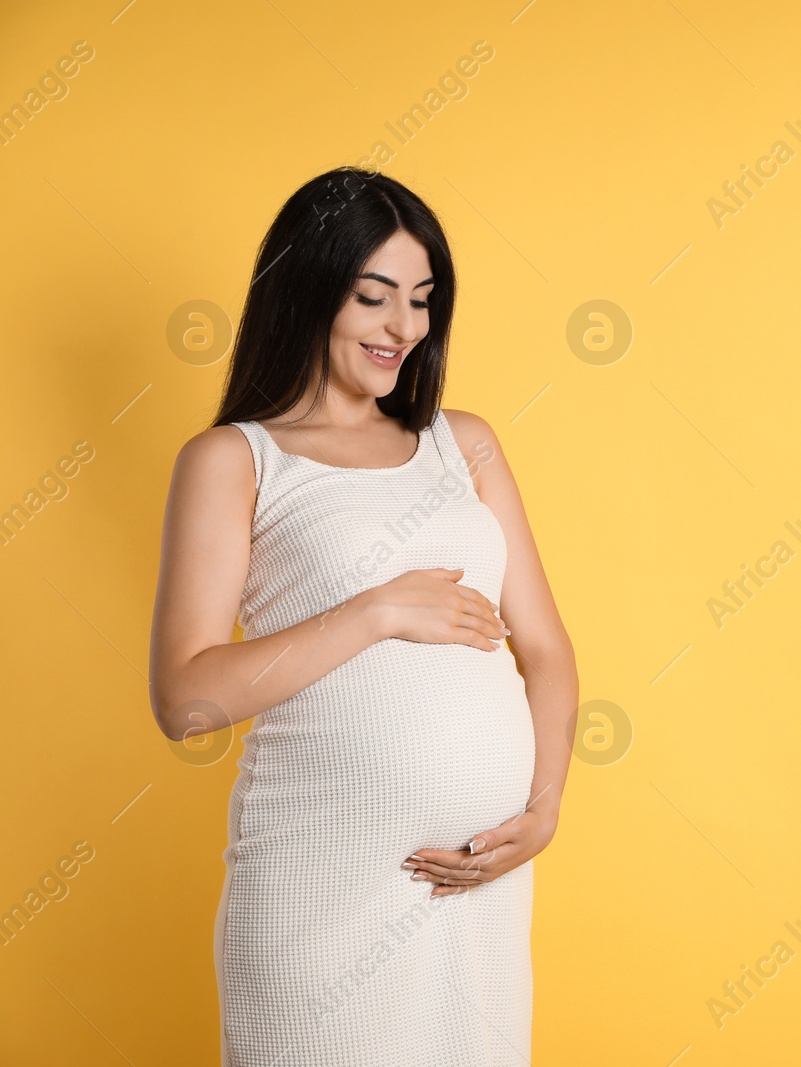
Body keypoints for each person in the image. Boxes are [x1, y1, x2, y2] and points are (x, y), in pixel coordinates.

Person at [147, 166, 577, 1065]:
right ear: (306, 290)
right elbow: (186, 700)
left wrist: (541, 813)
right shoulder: (236, 459)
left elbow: (545, 649)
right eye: (374, 297)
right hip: (318, 892)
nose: (404, 329)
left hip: (475, 891)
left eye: (422, 300)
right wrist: (376, 610)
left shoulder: (465, 444)